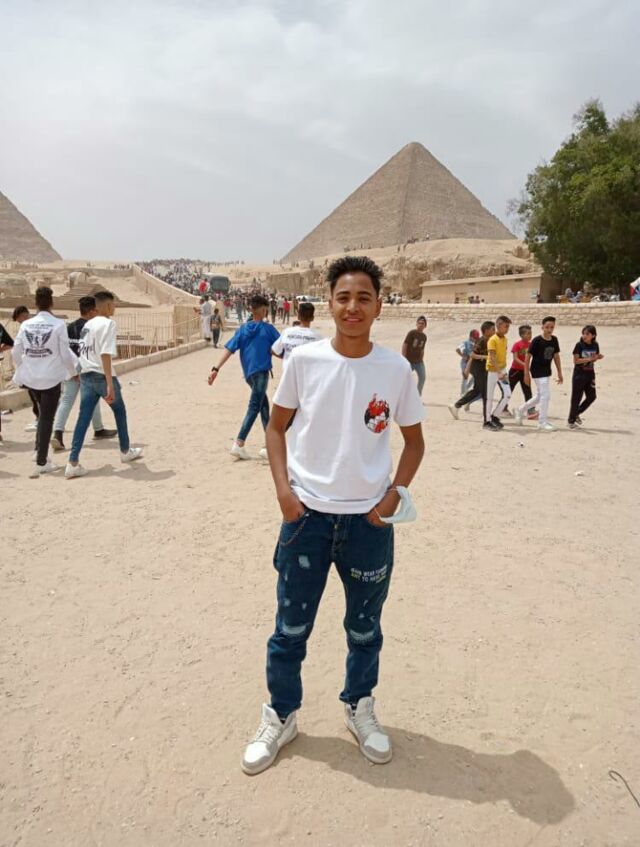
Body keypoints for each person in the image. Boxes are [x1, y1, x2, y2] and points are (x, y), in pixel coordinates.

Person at [241, 256, 425, 776]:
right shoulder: (305, 362)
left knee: (365, 629)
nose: (353, 307)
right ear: (329, 304)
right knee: (290, 629)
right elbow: (276, 428)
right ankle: (281, 715)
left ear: (379, 306)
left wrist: (393, 497)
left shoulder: (396, 370)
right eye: (343, 297)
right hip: (307, 519)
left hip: (369, 524)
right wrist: (284, 492)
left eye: (364, 297)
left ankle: (358, 706)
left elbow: (414, 442)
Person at [65, 291, 143, 478]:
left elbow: (84, 351)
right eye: (113, 304)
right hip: (101, 375)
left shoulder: (87, 325)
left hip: (86, 374)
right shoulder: (108, 324)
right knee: (119, 412)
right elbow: (105, 354)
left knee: (83, 418)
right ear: (107, 306)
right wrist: (109, 383)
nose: (114, 308)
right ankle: (125, 451)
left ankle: (72, 462)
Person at [11, 287, 78, 477]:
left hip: (32, 378)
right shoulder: (58, 324)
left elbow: (16, 352)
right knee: (47, 418)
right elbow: (65, 354)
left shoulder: (26, 325)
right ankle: (41, 462)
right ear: (52, 303)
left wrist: (24, 368)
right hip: (50, 378)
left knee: (42, 415)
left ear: (35, 303)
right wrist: (73, 372)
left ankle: (38, 451)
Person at [208, 294, 280, 460]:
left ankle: (268, 446)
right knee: (255, 406)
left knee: (263, 406)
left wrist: (216, 368)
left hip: (249, 375)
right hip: (261, 373)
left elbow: (229, 349)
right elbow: (281, 348)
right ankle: (239, 443)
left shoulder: (243, 329)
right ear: (263, 310)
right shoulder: (268, 329)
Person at [50, 296, 117, 452]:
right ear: (92, 311)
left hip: (70, 369)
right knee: (91, 398)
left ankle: (58, 433)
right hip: (87, 369)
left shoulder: (69, 327)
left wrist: (72, 370)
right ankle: (98, 429)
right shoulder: (92, 328)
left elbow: (64, 350)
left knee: (67, 400)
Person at [514, 316, 563, 432]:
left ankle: (520, 410)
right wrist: (526, 374)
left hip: (547, 371)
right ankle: (542, 422)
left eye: (552, 327)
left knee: (540, 396)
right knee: (546, 395)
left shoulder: (554, 340)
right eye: (547, 327)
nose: (549, 329)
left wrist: (559, 372)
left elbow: (556, 356)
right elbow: (528, 357)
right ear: (542, 327)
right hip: (537, 371)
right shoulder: (536, 340)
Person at [448, 321, 494, 419]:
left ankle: (456, 406)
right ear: (486, 331)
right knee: (485, 392)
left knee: (477, 390)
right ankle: (487, 417)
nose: (494, 331)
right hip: (477, 368)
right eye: (492, 329)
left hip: (483, 368)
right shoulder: (481, 340)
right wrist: (486, 357)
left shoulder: (490, 340)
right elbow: (472, 355)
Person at [567, 325, 603, 429]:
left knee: (592, 396)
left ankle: (576, 413)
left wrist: (597, 357)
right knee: (576, 398)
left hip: (590, 374)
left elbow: (594, 358)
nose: (584, 336)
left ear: (593, 335)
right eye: (583, 333)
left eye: (587, 334)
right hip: (579, 375)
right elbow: (576, 361)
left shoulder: (595, 345)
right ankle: (571, 421)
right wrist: (589, 359)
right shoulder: (579, 345)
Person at [11, 305, 40, 431]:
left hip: (31, 367)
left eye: (19, 320)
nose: (19, 323)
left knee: (36, 395)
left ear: (23, 315)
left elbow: (16, 351)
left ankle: (40, 420)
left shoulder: (27, 327)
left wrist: (21, 367)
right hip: (41, 365)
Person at [483, 316, 512, 431]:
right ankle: (487, 421)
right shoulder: (492, 340)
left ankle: (494, 416)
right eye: (506, 326)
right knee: (489, 397)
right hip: (492, 371)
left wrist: (503, 371)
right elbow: (492, 356)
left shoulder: (505, 339)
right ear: (498, 326)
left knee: (507, 394)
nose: (507, 329)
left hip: (502, 370)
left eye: (508, 327)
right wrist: (499, 372)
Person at [508, 325, 537, 421]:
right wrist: (525, 364)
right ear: (521, 335)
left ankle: (530, 410)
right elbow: (515, 358)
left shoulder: (531, 345)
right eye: (528, 333)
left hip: (525, 372)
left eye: (530, 333)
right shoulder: (517, 345)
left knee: (528, 391)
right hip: (515, 371)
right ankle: (503, 408)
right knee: (509, 390)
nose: (530, 335)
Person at [401, 316, 427, 396]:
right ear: (416, 324)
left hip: (419, 362)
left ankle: (418, 396)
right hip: (409, 361)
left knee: (422, 377)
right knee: (404, 378)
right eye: (419, 323)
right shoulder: (412, 333)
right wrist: (404, 358)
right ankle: (402, 395)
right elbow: (405, 345)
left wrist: (421, 359)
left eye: (422, 324)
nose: (420, 325)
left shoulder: (424, 336)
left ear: (425, 326)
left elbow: (422, 349)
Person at [456, 328, 480, 398]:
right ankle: (463, 393)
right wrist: (463, 356)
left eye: (476, 338)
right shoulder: (465, 343)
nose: (475, 339)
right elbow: (457, 349)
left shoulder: (476, 344)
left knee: (476, 376)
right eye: (474, 338)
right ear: (471, 337)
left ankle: (466, 388)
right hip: (465, 363)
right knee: (465, 377)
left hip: (472, 363)